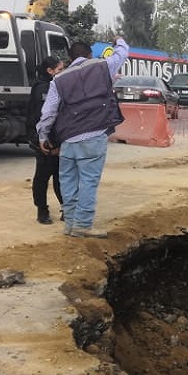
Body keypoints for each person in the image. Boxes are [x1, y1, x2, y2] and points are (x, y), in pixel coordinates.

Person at [36, 36, 129, 239]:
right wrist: (119, 41)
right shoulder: (102, 66)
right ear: (89, 55)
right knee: (88, 181)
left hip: (68, 139)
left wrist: (43, 135)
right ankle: (83, 225)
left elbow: (49, 112)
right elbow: (122, 53)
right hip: (93, 136)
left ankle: (70, 224)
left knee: (68, 181)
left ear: (70, 58)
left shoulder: (58, 80)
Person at [26, 55, 64, 225]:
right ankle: (42, 210)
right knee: (43, 176)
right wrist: (43, 141)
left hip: (57, 138)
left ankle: (67, 208)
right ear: (50, 71)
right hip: (44, 139)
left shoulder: (54, 85)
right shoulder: (44, 88)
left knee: (61, 176)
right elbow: (44, 117)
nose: (63, 73)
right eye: (60, 70)